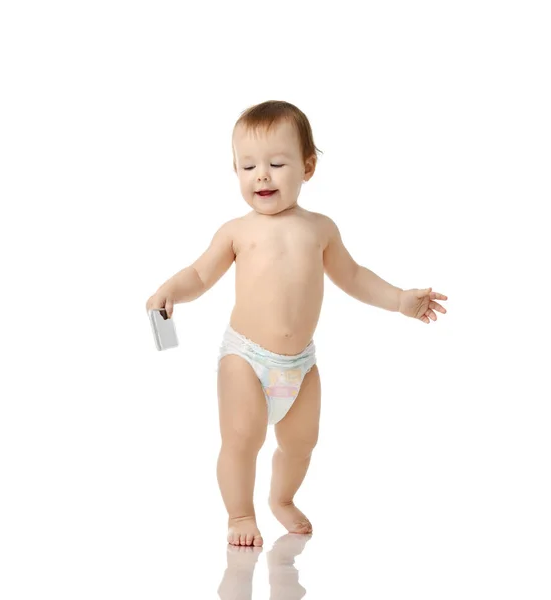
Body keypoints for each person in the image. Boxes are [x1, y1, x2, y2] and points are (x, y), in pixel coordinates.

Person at [146, 100, 448, 547]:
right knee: (241, 439)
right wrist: (171, 289)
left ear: (307, 167)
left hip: (301, 365)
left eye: (276, 163)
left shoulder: (320, 229)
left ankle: (281, 499)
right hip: (245, 358)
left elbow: (354, 277)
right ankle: (240, 514)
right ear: (235, 170)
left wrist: (400, 300)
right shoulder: (236, 231)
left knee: (302, 443)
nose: (261, 175)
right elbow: (199, 274)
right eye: (247, 166)